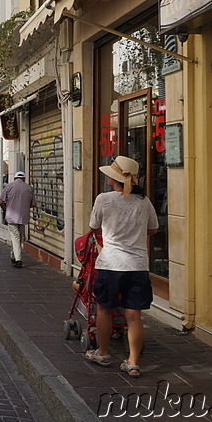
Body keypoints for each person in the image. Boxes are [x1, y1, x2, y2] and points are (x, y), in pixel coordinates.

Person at [83, 156, 158, 378]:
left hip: (111, 264)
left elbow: (93, 225)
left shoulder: (103, 199)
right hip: (138, 265)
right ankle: (133, 362)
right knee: (134, 315)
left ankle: (103, 353)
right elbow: (153, 229)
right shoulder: (144, 202)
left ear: (113, 178)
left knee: (104, 309)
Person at [0, 171, 37, 268]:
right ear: (24, 179)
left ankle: (18, 259)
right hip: (23, 216)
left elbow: (0, 201)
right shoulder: (29, 187)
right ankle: (13, 256)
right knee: (18, 237)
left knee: (15, 237)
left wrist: (6, 209)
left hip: (11, 217)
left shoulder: (9, 186)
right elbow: (33, 204)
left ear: (15, 179)